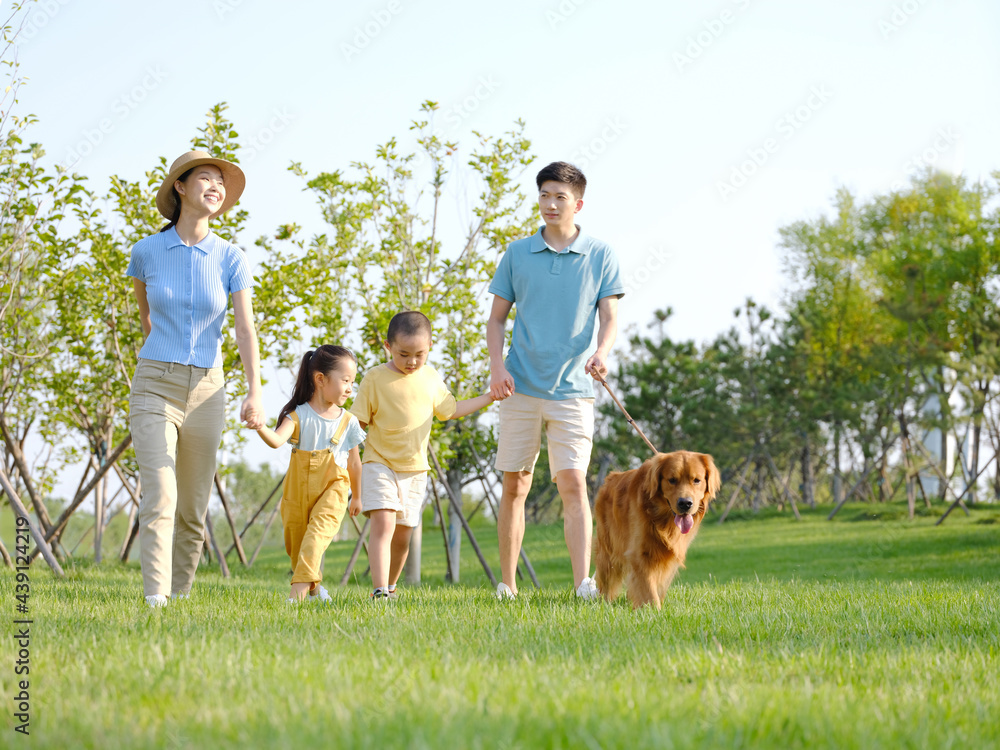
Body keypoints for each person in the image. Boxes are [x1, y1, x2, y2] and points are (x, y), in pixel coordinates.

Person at [127, 150, 265, 608]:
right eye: (205, 177)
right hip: (155, 385)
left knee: (192, 507)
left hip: (208, 390)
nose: (216, 186)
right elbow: (146, 318)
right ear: (180, 188)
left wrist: (255, 391)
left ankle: (181, 599)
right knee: (161, 494)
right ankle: (155, 599)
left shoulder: (230, 257)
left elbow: (245, 328)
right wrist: (165, 360)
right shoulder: (146, 252)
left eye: (221, 182)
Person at [487, 161, 624, 600]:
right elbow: (495, 321)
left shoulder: (601, 255)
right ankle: (506, 585)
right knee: (515, 485)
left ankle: (583, 583)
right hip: (520, 386)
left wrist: (602, 353)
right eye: (544, 194)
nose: (550, 203)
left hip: (573, 392)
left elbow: (610, 316)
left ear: (577, 203)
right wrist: (497, 367)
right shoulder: (517, 254)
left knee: (572, 484)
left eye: (559, 197)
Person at [350, 311, 497, 600]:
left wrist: (489, 397)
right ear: (388, 346)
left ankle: (390, 587)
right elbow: (357, 425)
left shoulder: (430, 378)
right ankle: (379, 591)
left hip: (415, 470)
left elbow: (451, 410)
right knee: (384, 523)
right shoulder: (375, 378)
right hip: (379, 463)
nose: (412, 361)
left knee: (403, 535)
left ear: (430, 346)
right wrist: (350, 462)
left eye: (419, 354)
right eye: (403, 354)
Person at [255, 346, 365, 603]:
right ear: (320, 379)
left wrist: (357, 496)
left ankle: (296, 600)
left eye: (353, 381)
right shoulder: (298, 415)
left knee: (315, 539)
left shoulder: (348, 421)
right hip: (297, 491)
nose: (351, 387)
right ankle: (315, 591)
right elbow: (275, 440)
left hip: (334, 490)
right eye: (346, 380)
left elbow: (355, 463)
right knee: (297, 547)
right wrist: (260, 426)